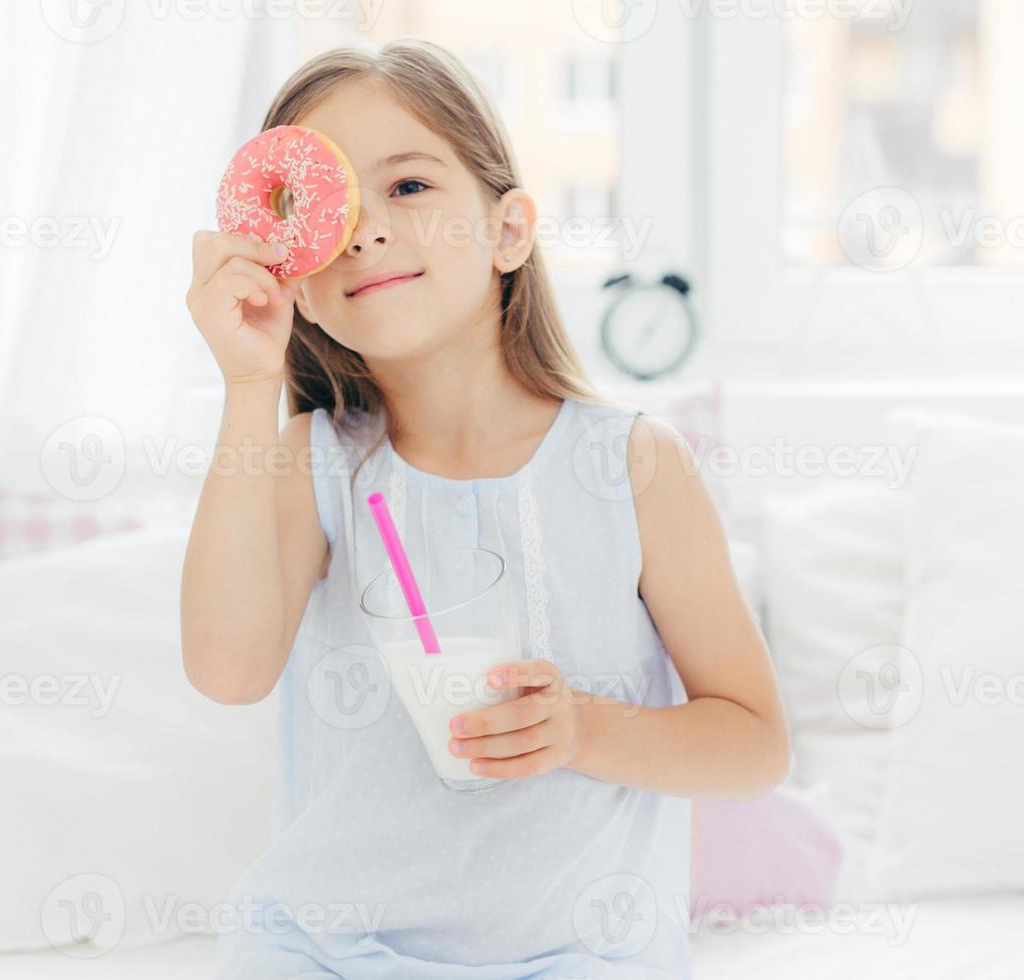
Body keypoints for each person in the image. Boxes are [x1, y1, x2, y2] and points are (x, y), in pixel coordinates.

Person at [182, 39, 789, 979]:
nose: (362, 231)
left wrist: (586, 731)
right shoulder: (311, 462)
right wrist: (247, 383)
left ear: (508, 232)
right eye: (321, 207)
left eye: (410, 187)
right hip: (326, 951)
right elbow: (227, 670)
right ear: (293, 270)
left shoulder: (632, 466)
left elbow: (754, 745)